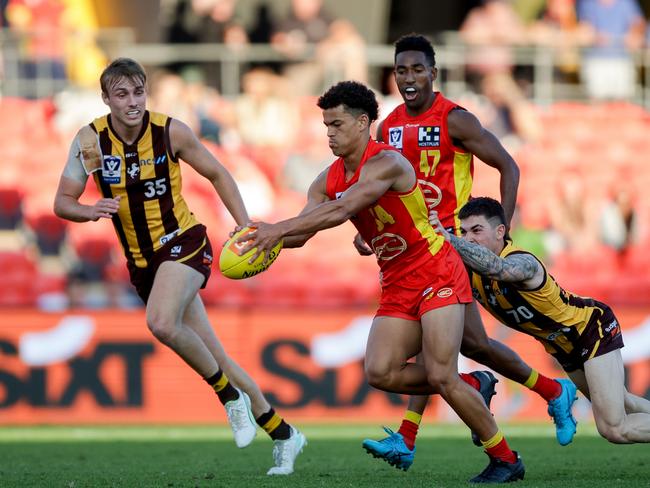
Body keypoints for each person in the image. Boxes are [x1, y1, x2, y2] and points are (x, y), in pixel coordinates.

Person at [238, 80, 525, 483]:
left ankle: (506, 459)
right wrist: (263, 246)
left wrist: (276, 229)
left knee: (441, 374)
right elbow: (302, 233)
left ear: (362, 123)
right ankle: (474, 382)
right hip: (396, 281)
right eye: (325, 126)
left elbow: (345, 210)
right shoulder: (325, 178)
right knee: (380, 372)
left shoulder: (388, 163)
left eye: (336, 124)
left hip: (436, 268)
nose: (329, 134)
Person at [52, 58, 305, 476]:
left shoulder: (170, 131)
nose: (132, 102)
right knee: (216, 352)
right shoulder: (91, 141)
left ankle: (228, 397)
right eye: (122, 94)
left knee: (162, 323)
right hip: (141, 261)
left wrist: (244, 226)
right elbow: (61, 202)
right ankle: (283, 433)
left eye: (138, 92)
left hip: (184, 241)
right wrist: (89, 209)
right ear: (105, 99)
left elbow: (218, 173)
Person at [360, 33, 576, 471]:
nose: (409, 78)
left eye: (418, 69)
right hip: (416, 250)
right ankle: (553, 391)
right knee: (474, 344)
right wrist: (370, 230)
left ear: (433, 73)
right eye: (401, 70)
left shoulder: (454, 120)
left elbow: (508, 165)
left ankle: (411, 433)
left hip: (452, 247)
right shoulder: (389, 127)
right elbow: (382, 191)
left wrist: (502, 231)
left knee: (442, 344)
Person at [432, 196, 650, 444]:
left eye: (477, 230)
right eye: (464, 231)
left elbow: (496, 268)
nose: (469, 238)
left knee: (613, 428)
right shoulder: (472, 275)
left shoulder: (523, 262)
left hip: (589, 329)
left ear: (500, 231)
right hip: (564, 347)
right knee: (624, 402)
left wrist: (451, 240)